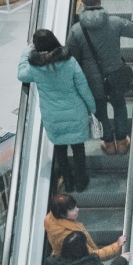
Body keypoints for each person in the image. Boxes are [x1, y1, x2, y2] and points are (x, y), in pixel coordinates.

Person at [66, 0, 133, 155]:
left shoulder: (76, 30)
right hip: (115, 76)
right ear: (99, 1)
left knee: (99, 110)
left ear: (82, 4)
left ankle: (108, 143)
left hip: (91, 81)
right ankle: (122, 142)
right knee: (119, 105)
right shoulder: (115, 22)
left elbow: (72, 58)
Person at [18, 29, 96, 193]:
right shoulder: (69, 62)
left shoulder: (35, 67)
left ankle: (68, 181)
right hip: (75, 112)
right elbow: (83, 86)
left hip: (52, 116)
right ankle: (81, 182)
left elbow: (21, 75)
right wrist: (92, 107)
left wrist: (27, 52)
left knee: (60, 149)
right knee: (78, 148)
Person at [44, 194, 125, 262]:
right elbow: (92, 256)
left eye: (75, 206)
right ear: (62, 214)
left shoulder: (52, 219)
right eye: (72, 209)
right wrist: (117, 246)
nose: (77, 209)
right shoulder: (69, 237)